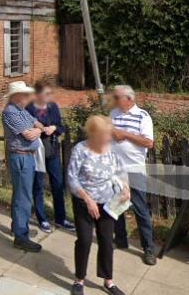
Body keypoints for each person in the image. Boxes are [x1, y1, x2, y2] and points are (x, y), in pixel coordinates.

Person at [67, 115, 130, 295]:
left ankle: (108, 281)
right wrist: (88, 200)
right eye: (105, 134)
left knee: (106, 241)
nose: (108, 138)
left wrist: (126, 188)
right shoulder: (80, 150)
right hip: (84, 202)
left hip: (108, 203)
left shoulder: (112, 150)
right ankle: (79, 280)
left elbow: (121, 171)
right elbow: (72, 179)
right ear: (94, 134)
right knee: (85, 240)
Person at [109, 84, 156, 266]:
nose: (114, 100)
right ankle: (120, 239)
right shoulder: (114, 113)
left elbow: (148, 142)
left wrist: (125, 134)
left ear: (129, 99)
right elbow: (109, 131)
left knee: (140, 208)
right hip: (116, 169)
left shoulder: (142, 116)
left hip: (134, 169)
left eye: (117, 97)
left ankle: (148, 247)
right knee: (117, 206)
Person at [27, 79, 75, 233]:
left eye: (50, 93)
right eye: (46, 93)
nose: (49, 96)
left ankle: (60, 218)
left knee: (57, 184)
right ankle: (42, 219)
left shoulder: (53, 107)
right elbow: (26, 130)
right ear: (38, 94)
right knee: (38, 185)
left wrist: (54, 127)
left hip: (52, 149)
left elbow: (60, 128)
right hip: (37, 151)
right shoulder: (29, 109)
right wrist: (41, 130)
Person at [1, 80, 44, 252]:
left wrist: (38, 129)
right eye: (25, 94)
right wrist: (39, 130)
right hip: (20, 157)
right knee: (23, 197)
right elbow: (29, 135)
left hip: (27, 157)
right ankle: (21, 236)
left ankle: (18, 227)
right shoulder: (10, 112)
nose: (27, 97)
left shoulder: (21, 111)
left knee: (20, 193)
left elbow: (38, 125)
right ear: (16, 96)